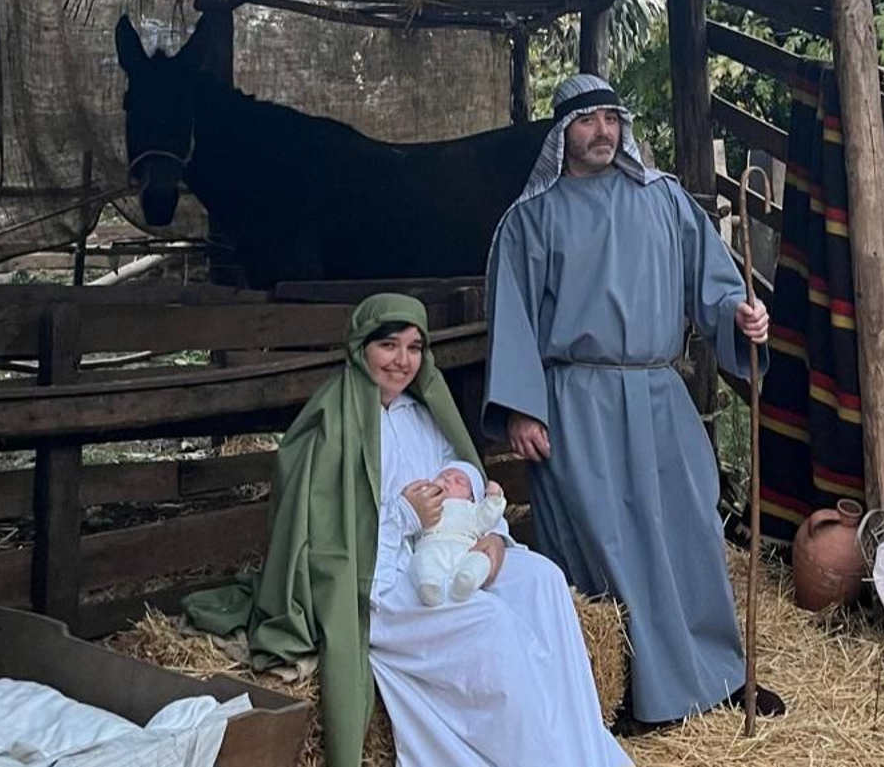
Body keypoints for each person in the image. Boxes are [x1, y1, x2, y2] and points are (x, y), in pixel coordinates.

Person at [184, 294, 629, 767]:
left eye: (415, 348)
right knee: (493, 626)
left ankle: (581, 750)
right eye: (389, 346)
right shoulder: (330, 425)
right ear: (360, 349)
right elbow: (324, 536)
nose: (403, 361)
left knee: (543, 581)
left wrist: (495, 536)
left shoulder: (421, 417)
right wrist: (404, 516)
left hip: (448, 550)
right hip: (380, 581)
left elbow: (464, 484)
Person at [483, 73, 784, 730]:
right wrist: (521, 406)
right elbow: (513, 319)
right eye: (587, 121)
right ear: (563, 133)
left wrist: (740, 316)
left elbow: (715, 286)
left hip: (657, 392)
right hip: (575, 403)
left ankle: (719, 673)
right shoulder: (530, 219)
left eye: (611, 118)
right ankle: (630, 692)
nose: (603, 132)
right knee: (603, 546)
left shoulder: (666, 201)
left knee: (694, 531)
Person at [410, 460, 506, 606]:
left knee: (481, 559)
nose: (448, 480)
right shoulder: (427, 505)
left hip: (465, 548)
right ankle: (429, 584)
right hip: (431, 544)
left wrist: (494, 498)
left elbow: (488, 517)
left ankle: (467, 580)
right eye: (443, 476)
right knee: (422, 559)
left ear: (472, 497)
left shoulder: (471, 510)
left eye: (459, 482)